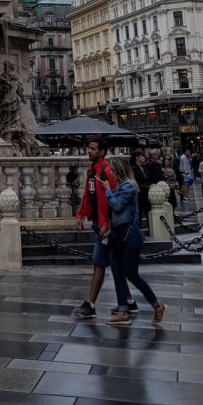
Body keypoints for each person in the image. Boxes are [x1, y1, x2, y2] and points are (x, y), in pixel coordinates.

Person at [97, 157, 166, 326]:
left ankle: (157, 305)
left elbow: (118, 205)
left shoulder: (129, 186)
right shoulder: (120, 186)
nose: (110, 173)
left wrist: (107, 190)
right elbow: (118, 213)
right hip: (117, 235)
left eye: (112, 170)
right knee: (116, 272)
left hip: (129, 236)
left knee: (131, 273)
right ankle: (122, 311)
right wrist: (109, 227)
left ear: (120, 170)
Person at [74, 136, 135, 319]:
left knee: (99, 262)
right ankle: (129, 302)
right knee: (115, 265)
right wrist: (81, 214)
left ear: (102, 152)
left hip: (105, 226)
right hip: (97, 223)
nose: (89, 151)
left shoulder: (107, 171)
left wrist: (108, 224)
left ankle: (90, 304)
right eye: (89, 148)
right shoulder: (91, 170)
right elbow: (88, 194)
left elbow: (114, 200)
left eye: (92, 149)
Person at [131, 150, 149, 225]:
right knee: (139, 210)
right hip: (139, 194)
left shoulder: (143, 168)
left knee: (148, 210)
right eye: (142, 156)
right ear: (137, 158)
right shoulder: (134, 168)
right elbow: (135, 182)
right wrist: (146, 186)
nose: (144, 157)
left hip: (146, 193)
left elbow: (147, 179)